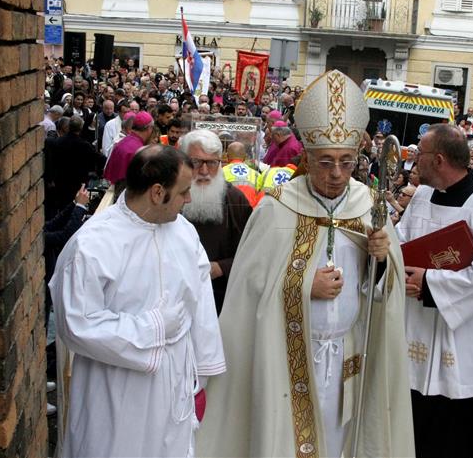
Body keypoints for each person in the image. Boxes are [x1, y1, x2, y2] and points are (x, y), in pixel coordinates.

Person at [198, 69, 414, 458]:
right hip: (284, 356)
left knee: (339, 443)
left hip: (348, 356)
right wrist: (301, 286)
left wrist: (381, 261)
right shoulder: (277, 207)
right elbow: (247, 287)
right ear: (306, 158)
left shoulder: (368, 206)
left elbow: (384, 292)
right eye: (326, 161)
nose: (336, 174)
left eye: (346, 162)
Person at [49, 145, 225, 458]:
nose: (189, 199)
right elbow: (76, 324)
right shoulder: (92, 244)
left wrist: (203, 374)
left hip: (175, 384)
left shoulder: (184, 232)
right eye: (183, 191)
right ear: (157, 192)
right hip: (115, 388)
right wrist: (152, 327)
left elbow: (201, 304)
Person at [396, 123, 473, 458]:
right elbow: (402, 242)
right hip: (418, 332)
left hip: (464, 344)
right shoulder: (421, 196)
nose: (414, 159)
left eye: (420, 153)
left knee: (456, 440)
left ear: (439, 160)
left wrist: (429, 283)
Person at [180, 130, 253, 314]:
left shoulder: (235, 200)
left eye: (212, 163)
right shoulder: (170, 197)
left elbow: (254, 252)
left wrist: (221, 267)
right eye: (196, 162)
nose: (204, 171)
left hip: (221, 301)